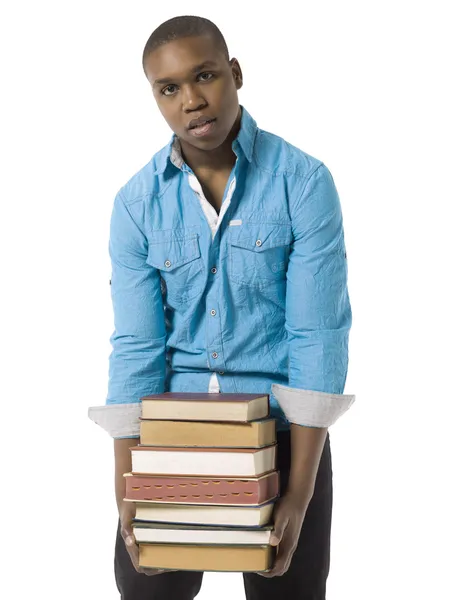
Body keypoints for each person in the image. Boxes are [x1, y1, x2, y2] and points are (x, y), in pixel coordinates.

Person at [88, 14, 355, 600]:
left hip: (286, 436)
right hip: (168, 441)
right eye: (168, 88)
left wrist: (299, 494)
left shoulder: (304, 183)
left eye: (204, 75)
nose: (191, 100)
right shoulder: (135, 205)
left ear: (234, 73)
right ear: (155, 97)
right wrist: (127, 489)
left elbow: (318, 337)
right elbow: (136, 348)